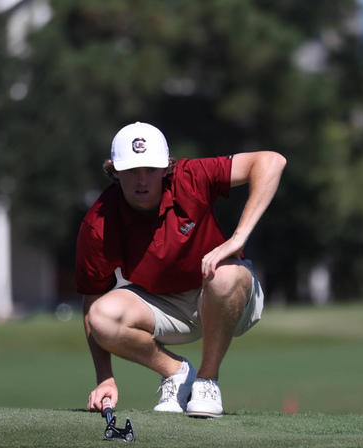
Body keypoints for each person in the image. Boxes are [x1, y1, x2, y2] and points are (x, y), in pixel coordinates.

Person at [76, 122, 285, 418]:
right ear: (114, 171)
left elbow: (271, 161)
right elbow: (92, 300)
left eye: (151, 169)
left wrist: (239, 237)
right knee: (101, 316)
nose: (142, 180)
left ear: (166, 168)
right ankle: (176, 373)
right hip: (161, 308)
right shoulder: (98, 222)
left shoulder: (190, 177)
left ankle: (207, 381)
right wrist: (105, 378)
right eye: (132, 170)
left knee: (223, 275)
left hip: (225, 295)